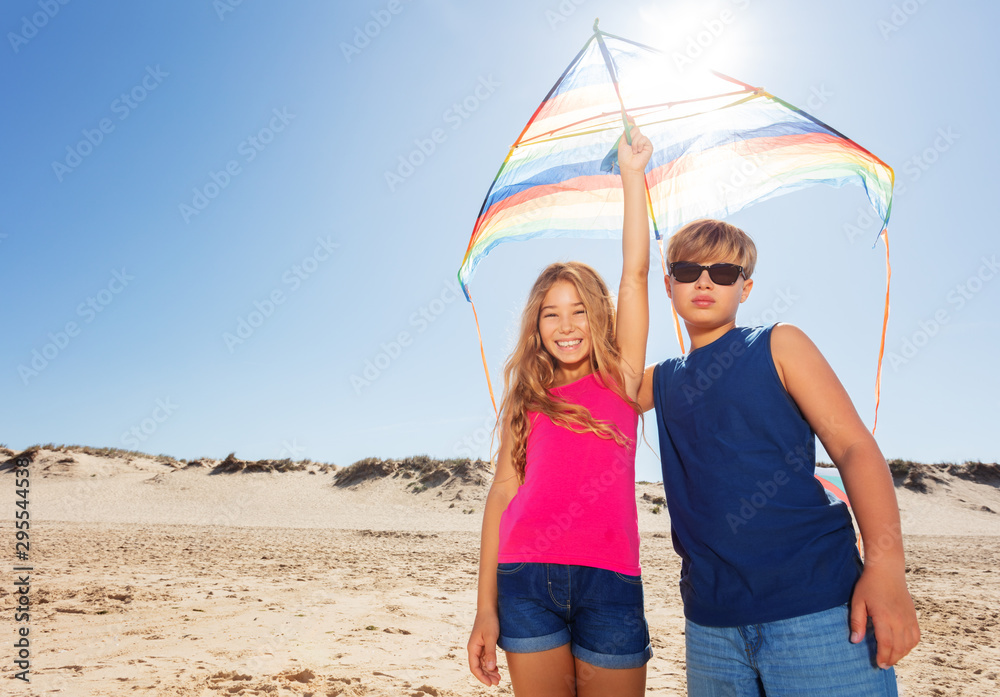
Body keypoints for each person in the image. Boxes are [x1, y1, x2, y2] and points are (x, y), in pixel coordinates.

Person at [636, 219, 920, 696]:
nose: (704, 281)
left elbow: (853, 449)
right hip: (711, 624)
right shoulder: (660, 381)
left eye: (724, 272)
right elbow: (601, 386)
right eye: (686, 270)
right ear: (668, 284)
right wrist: (630, 187)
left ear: (745, 287)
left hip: (817, 609)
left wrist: (886, 570)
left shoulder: (777, 343)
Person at [467, 124, 654, 696]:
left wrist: (631, 177)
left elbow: (635, 274)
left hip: (612, 582)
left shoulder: (622, 380)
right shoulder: (527, 396)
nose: (566, 326)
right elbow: (502, 495)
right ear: (536, 325)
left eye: (578, 311)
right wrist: (485, 610)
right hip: (524, 580)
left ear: (599, 316)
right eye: (551, 314)